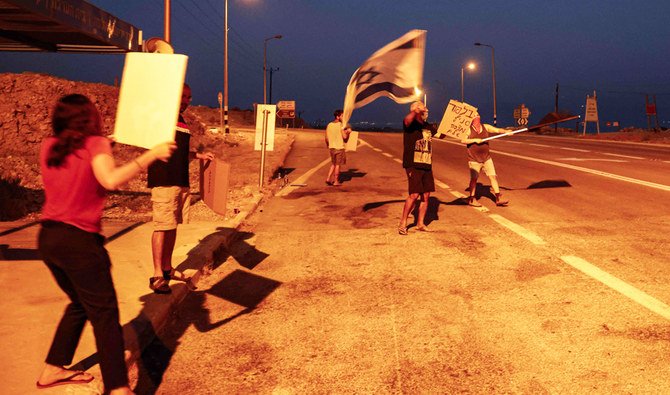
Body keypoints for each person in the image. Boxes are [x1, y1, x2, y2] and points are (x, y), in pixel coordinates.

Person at [37, 94, 176, 393]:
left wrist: (103, 147)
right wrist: (150, 155)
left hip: (49, 239)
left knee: (80, 303)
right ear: (90, 118)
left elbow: (78, 167)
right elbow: (110, 180)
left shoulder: (49, 147)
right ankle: (117, 388)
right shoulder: (95, 145)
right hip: (79, 243)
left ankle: (53, 368)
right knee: (105, 315)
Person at [147, 83, 214, 294]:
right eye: (183, 96)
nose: (186, 100)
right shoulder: (162, 118)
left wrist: (199, 156)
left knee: (173, 225)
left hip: (180, 180)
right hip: (163, 180)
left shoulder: (182, 121)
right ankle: (157, 274)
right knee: (162, 226)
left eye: (189, 97)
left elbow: (181, 153)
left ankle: (167, 268)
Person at [398, 101, 445, 235]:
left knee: (426, 195)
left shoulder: (428, 126)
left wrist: (450, 126)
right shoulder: (411, 125)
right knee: (414, 194)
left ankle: (420, 223)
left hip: (426, 163)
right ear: (418, 110)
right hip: (413, 164)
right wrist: (416, 110)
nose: (427, 110)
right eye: (424, 108)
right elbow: (407, 120)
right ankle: (402, 223)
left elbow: (441, 135)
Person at [461, 114, 509, 207]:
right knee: (474, 179)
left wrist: (506, 131)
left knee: (493, 177)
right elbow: (463, 140)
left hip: (486, 158)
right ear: (472, 120)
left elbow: (497, 130)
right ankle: (471, 199)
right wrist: (475, 140)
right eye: (475, 116)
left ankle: (498, 197)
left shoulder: (485, 127)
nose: (477, 117)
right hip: (474, 159)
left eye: (478, 115)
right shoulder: (468, 129)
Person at [324, 109, 351, 186]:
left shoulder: (329, 125)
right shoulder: (341, 126)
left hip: (331, 148)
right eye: (342, 116)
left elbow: (326, 138)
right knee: (338, 165)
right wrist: (348, 133)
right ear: (338, 116)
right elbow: (345, 138)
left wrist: (328, 145)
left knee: (333, 164)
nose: (343, 117)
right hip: (339, 148)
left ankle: (328, 178)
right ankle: (336, 181)